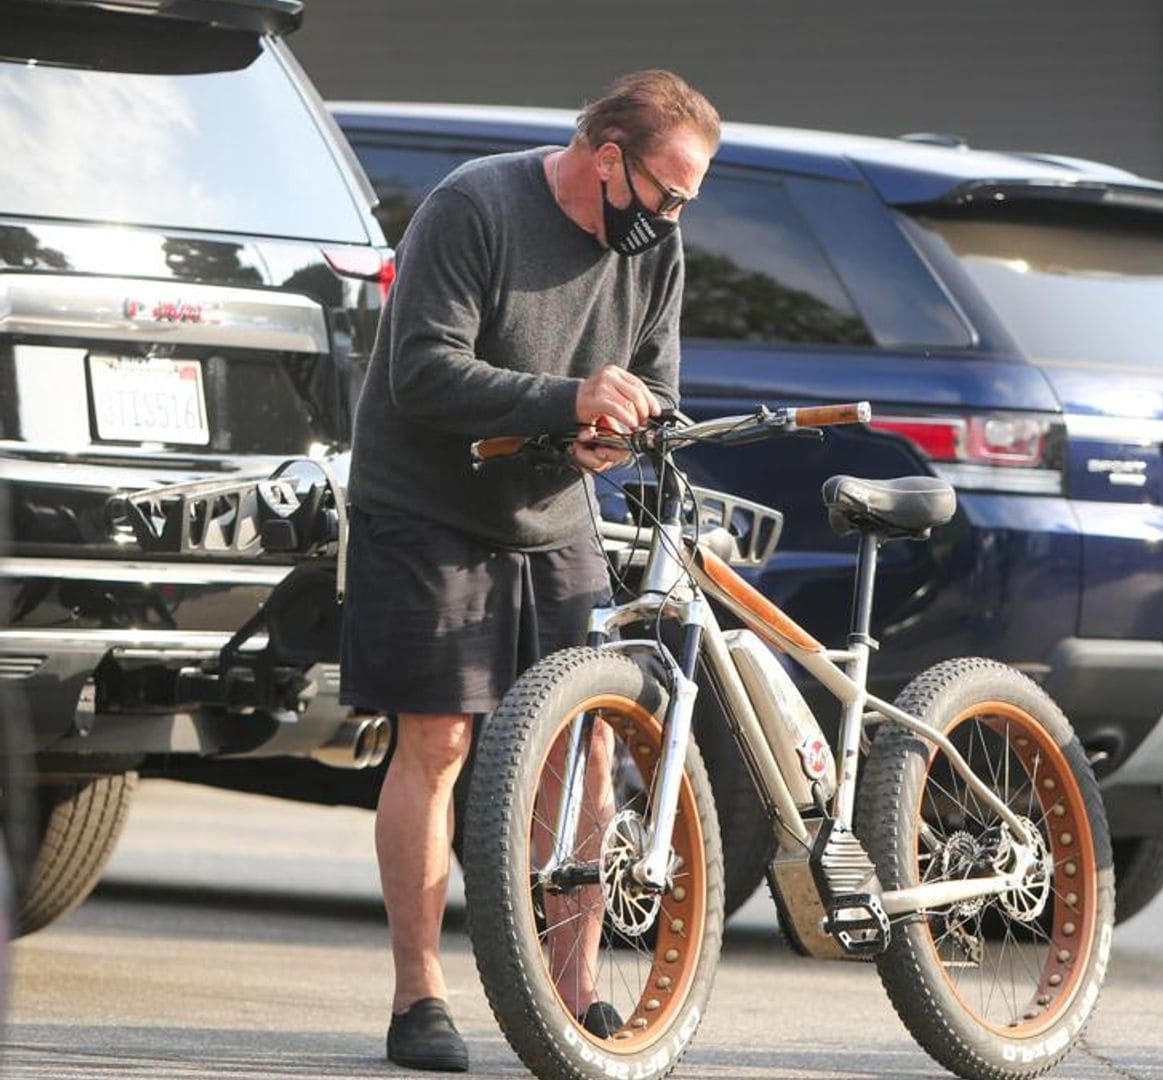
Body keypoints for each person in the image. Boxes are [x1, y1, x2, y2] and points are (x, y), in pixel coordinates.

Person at [340, 70, 719, 1072]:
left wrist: (620, 435)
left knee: (586, 745)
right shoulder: (475, 207)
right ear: (607, 158)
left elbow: (661, 386)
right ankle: (418, 997)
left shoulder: (659, 248)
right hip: (425, 510)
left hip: (555, 519)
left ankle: (574, 991)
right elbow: (420, 372)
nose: (676, 216)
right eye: (669, 192)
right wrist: (566, 400)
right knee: (437, 739)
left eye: (690, 199)